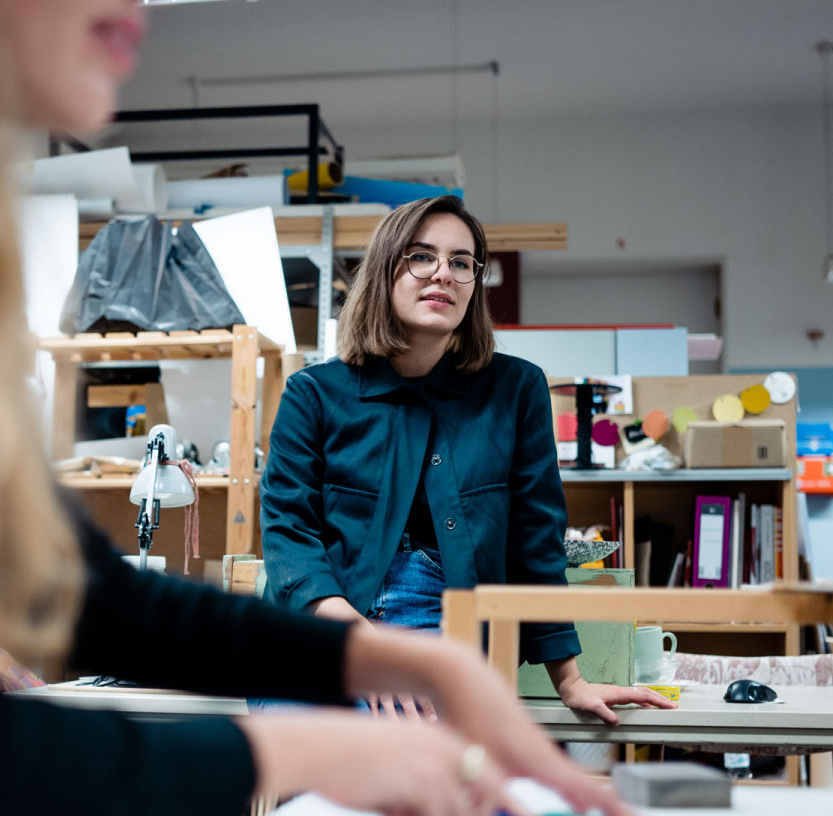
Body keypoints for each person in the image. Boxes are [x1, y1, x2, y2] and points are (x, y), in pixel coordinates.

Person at [0, 1, 661, 816]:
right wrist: (299, 745)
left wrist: (400, 663)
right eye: (422, 258)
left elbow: (85, 598)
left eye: (463, 263)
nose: (143, 9)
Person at [261, 195, 675, 723]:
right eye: (421, 256)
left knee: (420, 757)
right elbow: (287, 532)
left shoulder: (516, 388)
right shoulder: (312, 394)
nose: (443, 274)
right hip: (326, 626)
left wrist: (570, 680)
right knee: (311, 747)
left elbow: (534, 540)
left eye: (461, 262)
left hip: (447, 625)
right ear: (386, 268)